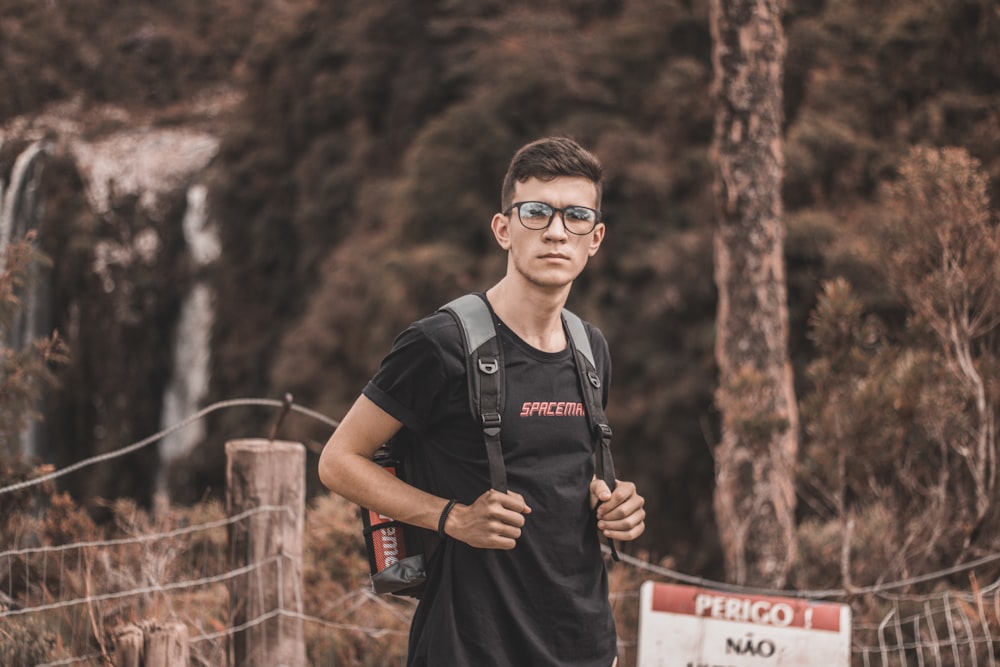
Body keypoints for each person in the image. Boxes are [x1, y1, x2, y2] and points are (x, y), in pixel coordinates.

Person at [318, 136, 646, 666]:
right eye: (536, 212)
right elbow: (338, 462)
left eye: (576, 216)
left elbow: (561, 472)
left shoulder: (591, 348)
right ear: (504, 229)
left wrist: (615, 505)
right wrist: (452, 517)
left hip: (584, 646)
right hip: (470, 647)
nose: (557, 231)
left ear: (596, 238)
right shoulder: (439, 345)